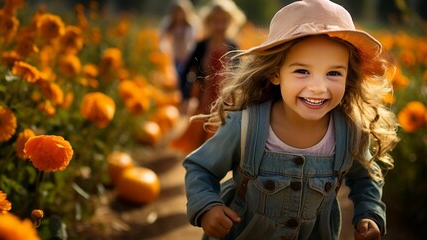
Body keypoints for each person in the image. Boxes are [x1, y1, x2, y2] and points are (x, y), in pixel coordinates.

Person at [183, 0, 399, 239]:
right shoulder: (246, 125)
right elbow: (200, 168)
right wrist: (207, 207)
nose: (318, 87)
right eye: (302, 71)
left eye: (334, 73)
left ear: (348, 77)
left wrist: (370, 213)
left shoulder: (349, 132)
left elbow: (365, 179)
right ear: (276, 73)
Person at [170, 0, 246, 153]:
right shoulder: (202, 45)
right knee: (200, 130)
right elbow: (187, 71)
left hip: (224, 99)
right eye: (215, 21)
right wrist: (185, 96)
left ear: (231, 23)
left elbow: (240, 73)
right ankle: (199, 159)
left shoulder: (233, 46)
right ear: (208, 22)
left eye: (224, 21)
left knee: (219, 132)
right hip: (203, 97)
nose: (220, 26)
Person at [159, 0, 200, 88]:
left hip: (188, 56)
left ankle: (185, 94)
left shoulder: (190, 26)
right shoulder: (170, 25)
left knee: (186, 76)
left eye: (181, 12)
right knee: (178, 76)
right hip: (175, 56)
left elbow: (193, 41)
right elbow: (162, 39)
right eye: (177, 12)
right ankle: (182, 93)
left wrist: (191, 54)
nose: (179, 15)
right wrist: (165, 50)